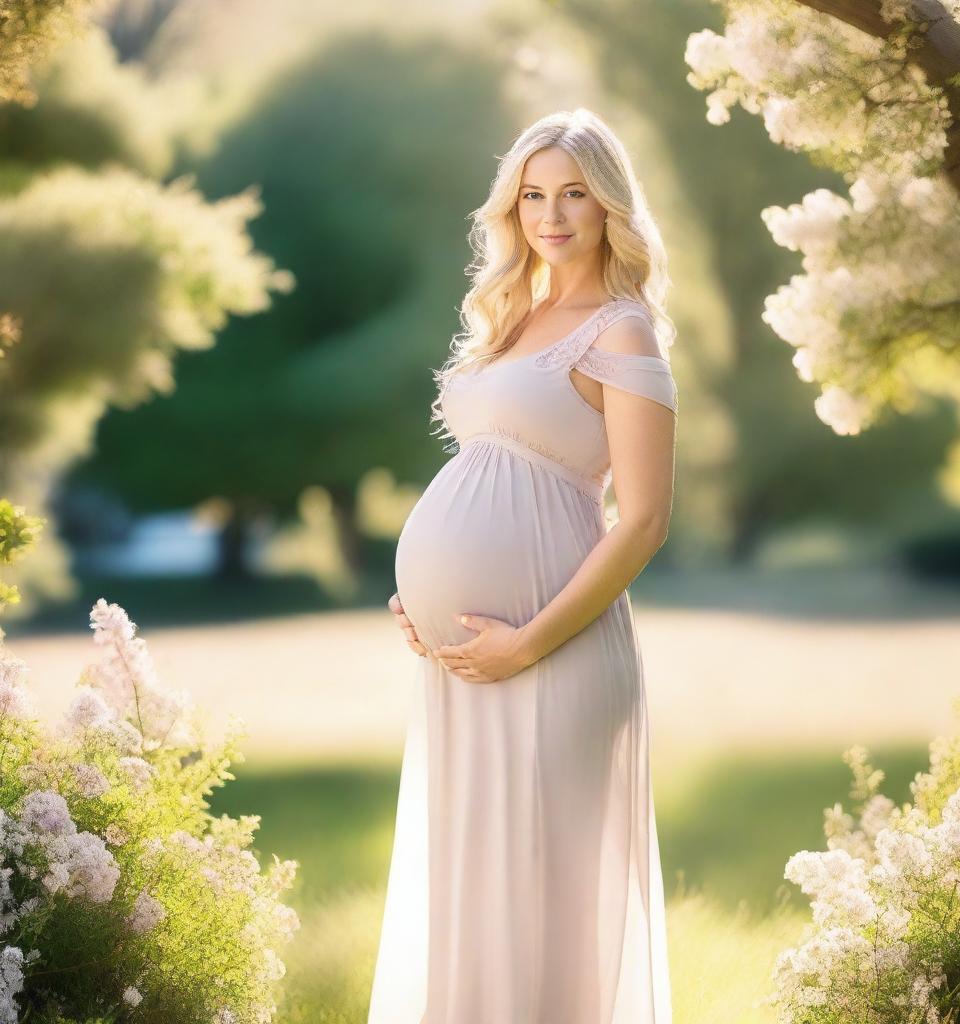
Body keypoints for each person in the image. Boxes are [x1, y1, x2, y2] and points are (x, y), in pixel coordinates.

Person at [370, 106, 676, 1024]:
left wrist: (528, 643)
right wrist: (422, 593)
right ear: (513, 209)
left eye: (574, 193)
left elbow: (646, 519)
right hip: (468, 661)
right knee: (473, 888)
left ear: (609, 205)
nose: (552, 213)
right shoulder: (513, 317)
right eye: (535, 194)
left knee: (544, 901)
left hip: (554, 653)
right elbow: (487, 472)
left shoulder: (621, 330)